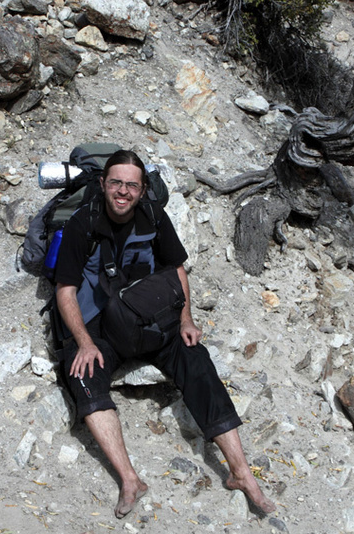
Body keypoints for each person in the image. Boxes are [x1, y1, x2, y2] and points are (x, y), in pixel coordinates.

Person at [54, 149, 276, 519]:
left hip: (148, 316)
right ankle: (129, 480)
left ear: (142, 191)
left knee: (197, 361)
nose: (122, 192)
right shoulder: (82, 223)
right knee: (83, 378)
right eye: (116, 183)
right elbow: (65, 289)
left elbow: (176, 268)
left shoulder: (154, 216)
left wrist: (186, 320)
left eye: (131, 185)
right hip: (102, 329)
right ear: (102, 184)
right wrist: (84, 342)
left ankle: (241, 474)